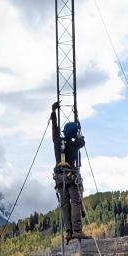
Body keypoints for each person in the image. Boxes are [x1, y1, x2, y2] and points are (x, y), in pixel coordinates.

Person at [51, 101, 90, 243]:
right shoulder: (74, 145)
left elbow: (54, 131)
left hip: (59, 178)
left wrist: (54, 113)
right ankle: (77, 230)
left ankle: (68, 231)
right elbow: (82, 140)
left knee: (64, 204)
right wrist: (78, 123)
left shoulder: (58, 144)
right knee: (75, 203)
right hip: (71, 177)